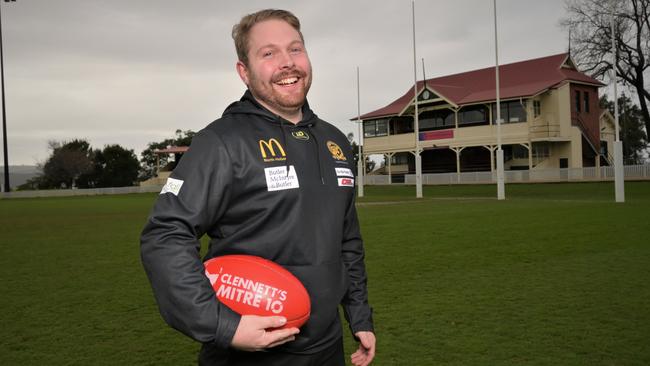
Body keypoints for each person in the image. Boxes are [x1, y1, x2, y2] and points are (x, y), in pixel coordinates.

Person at [140, 8, 375, 366]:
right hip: (251, 354)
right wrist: (223, 325)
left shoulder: (335, 141)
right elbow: (165, 235)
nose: (287, 63)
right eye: (269, 53)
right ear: (244, 72)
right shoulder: (221, 142)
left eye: (295, 49)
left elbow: (347, 238)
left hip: (327, 349)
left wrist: (358, 315)